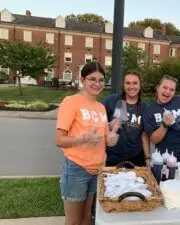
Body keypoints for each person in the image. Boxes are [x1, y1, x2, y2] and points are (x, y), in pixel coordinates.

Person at [55, 61, 118, 225]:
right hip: (76, 169)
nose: (97, 84)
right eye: (92, 79)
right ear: (82, 80)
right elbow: (59, 140)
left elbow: (105, 139)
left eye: (101, 80)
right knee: (74, 221)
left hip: (96, 171)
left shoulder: (100, 108)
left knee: (86, 219)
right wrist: (81, 138)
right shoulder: (71, 102)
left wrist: (111, 138)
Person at [143, 75, 180, 164]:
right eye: (165, 87)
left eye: (172, 90)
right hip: (169, 159)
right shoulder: (149, 110)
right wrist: (165, 125)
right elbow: (154, 140)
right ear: (158, 88)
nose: (167, 91)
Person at [102, 70, 150, 167]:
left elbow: (144, 135)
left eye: (135, 83)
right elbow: (98, 125)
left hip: (136, 159)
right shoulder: (111, 101)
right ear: (123, 85)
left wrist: (147, 158)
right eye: (128, 83)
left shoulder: (145, 108)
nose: (131, 86)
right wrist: (109, 125)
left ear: (140, 85)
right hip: (112, 158)